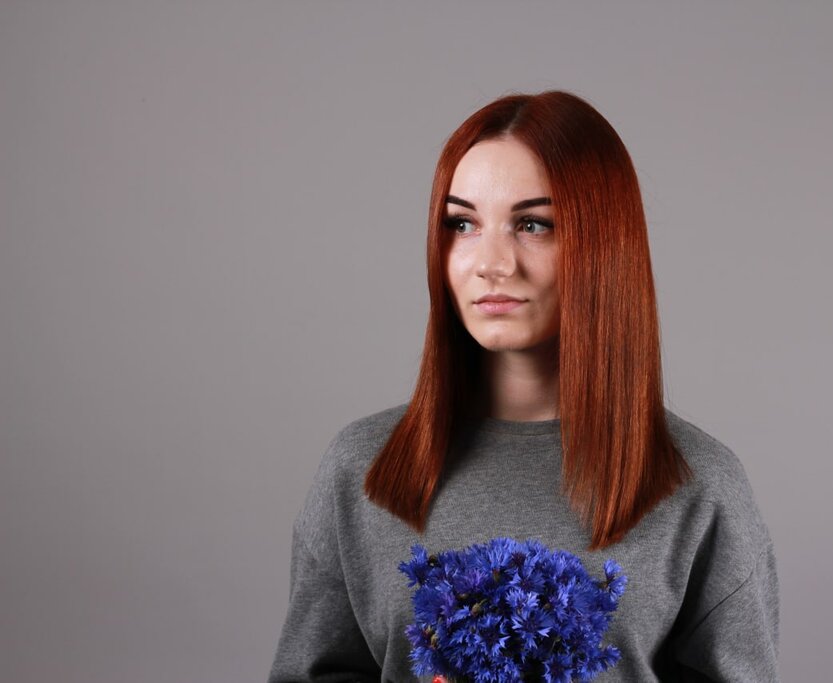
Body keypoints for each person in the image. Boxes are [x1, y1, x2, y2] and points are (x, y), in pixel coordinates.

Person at [268, 91, 779, 682]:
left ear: (605, 247)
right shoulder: (361, 471)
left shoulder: (699, 486)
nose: (492, 263)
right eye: (462, 224)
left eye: (533, 224)